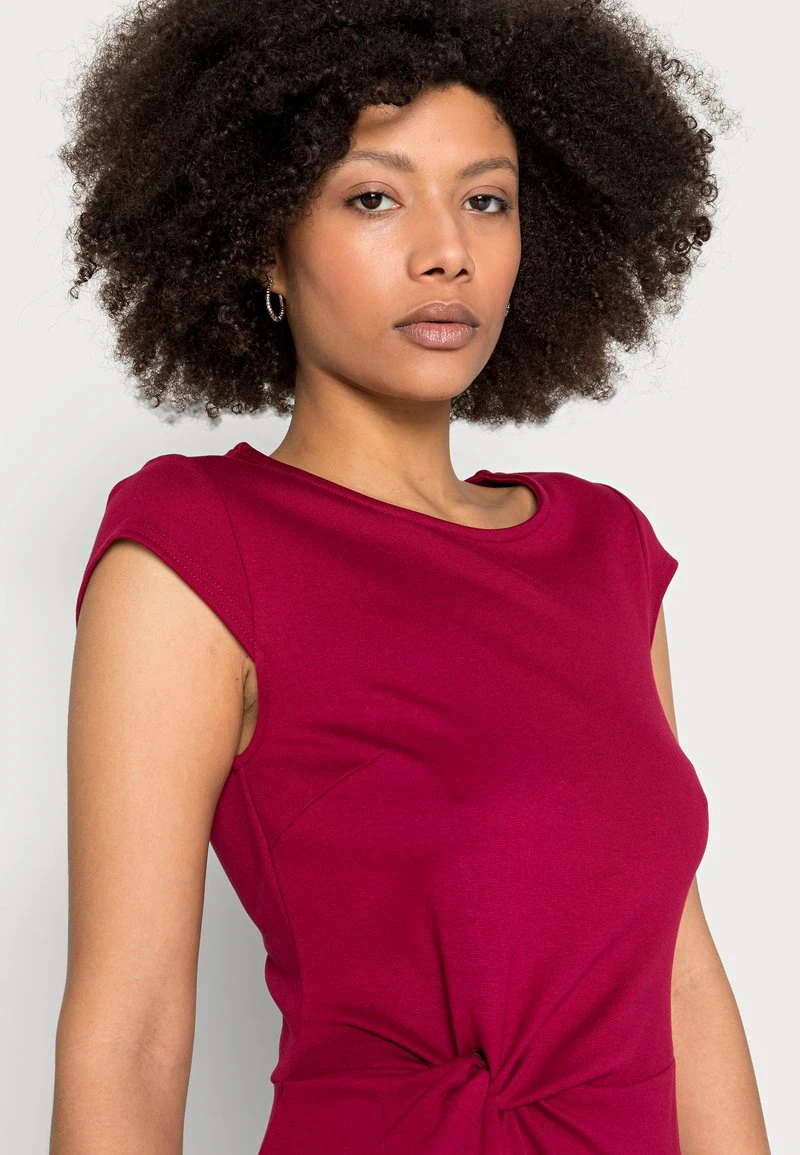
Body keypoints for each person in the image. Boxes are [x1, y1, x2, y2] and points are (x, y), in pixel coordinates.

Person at [50, 1, 770, 1153]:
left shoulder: (602, 552)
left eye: (485, 200)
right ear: (261, 240)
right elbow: (129, 1037)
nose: (447, 252)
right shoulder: (197, 550)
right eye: (373, 198)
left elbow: (677, 971)